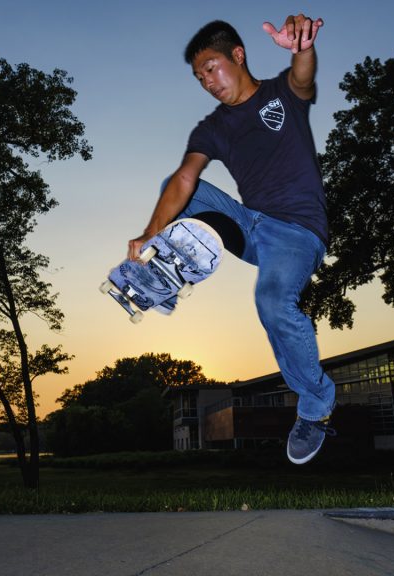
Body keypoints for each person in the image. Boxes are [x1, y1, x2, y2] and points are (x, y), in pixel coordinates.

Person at [127, 14, 335, 464]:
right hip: (250, 226)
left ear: (237, 55)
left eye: (212, 68)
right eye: (199, 77)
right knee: (177, 184)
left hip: (297, 235)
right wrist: (150, 233)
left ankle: (315, 407)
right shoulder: (213, 128)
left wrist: (301, 45)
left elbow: (304, 75)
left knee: (274, 303)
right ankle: (166, 271)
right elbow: (186, 177)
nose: (207, 82)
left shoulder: (283, 94)